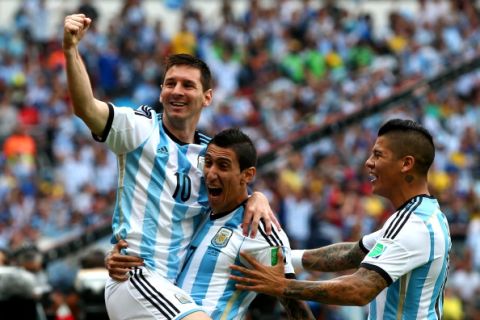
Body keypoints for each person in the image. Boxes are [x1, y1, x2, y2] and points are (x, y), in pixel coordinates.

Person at [63, 13, 278, 320]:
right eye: (170, 83)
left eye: (188, 85)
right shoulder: (139, 129)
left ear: (207, 97)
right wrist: (71, 50)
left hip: (177, 287)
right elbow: (86, 106)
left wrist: (258, 197)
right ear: (161, 91)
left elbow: (236, 195)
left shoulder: (211, 156)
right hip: (137, 276)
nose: (177, 91)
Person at [231, 118, 452, 320]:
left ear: (406, 164)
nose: (368, 162)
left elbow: (359, 290)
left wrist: (281, 286)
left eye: (378, 155)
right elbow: (350, 254)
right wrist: (283, 256)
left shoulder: (414, 225)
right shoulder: (422, 215)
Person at [109, 128, 314, 319]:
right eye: (208, 163)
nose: (211, 173)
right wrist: (116, 255)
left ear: (248, 174)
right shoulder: (199, 213)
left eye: (223, 166)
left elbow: (292, 300)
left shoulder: (259, 229)